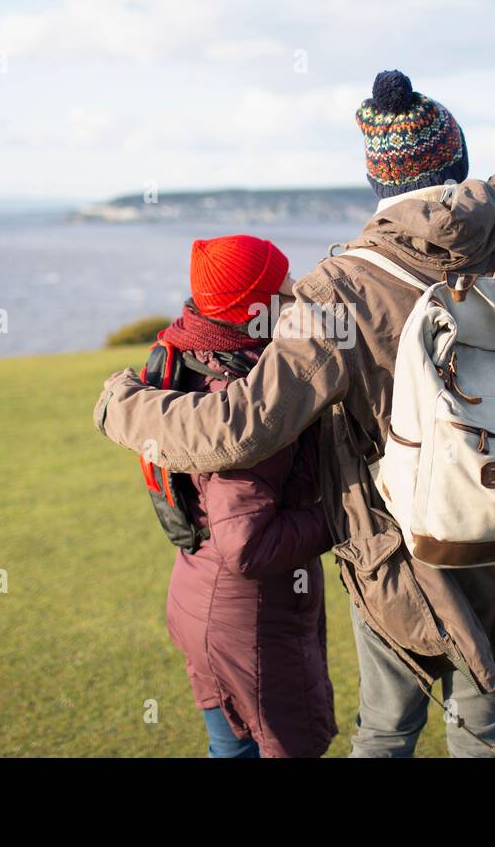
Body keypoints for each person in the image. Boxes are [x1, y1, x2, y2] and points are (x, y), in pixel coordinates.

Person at [97, 70, 495, 757]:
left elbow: (235, 428)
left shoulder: (337, 289)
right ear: (458, 159)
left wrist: (125, 402)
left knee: (384, 733)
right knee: (486, 733)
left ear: (378, 179)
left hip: (397, 547)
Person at [153, 235, 337, 758]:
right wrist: (342, 516)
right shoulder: (246, 401)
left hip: (200, 592)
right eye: (283, 281)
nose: (296, 285)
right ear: (257, 305)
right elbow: (248, 545)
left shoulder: (195, 352)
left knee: (231, 748)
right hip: (246, 617)